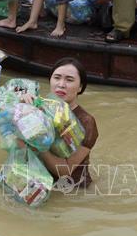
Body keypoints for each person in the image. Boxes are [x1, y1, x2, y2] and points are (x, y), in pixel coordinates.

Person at [20, 57, 98, 189]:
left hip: (72, 191)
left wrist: (40, 144)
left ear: (80, 87)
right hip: (38, 185)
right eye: (57, 78)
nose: (61, 84)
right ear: (50, 80)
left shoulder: (86, 122)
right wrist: (20, 112)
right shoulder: (38, 108)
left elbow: (65, 171)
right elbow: (19, 147)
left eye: (69, 80)